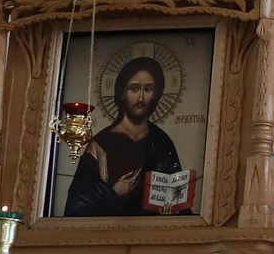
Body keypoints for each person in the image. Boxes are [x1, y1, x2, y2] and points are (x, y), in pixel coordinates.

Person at [65, 57, 188, 216]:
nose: (141, 98)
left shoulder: (161, 141)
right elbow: (76, 205)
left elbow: (177, 196)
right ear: (122, 93)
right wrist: (114, 192)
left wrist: (172, 208)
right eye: (134, 89)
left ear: (156, 95)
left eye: (148, 89)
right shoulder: (100, 144)